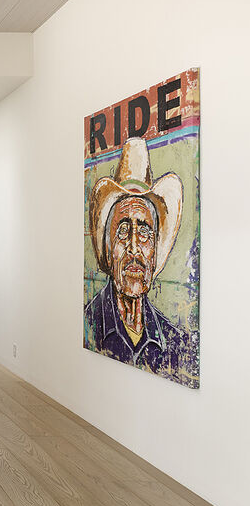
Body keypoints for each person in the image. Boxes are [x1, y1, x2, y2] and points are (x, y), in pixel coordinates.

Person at [84, 137, 196, 382]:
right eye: (123, 230)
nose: (135, 248)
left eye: (145, 231)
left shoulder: (174, 340)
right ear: (108, 246)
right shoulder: (88, 323)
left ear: (155, 249)